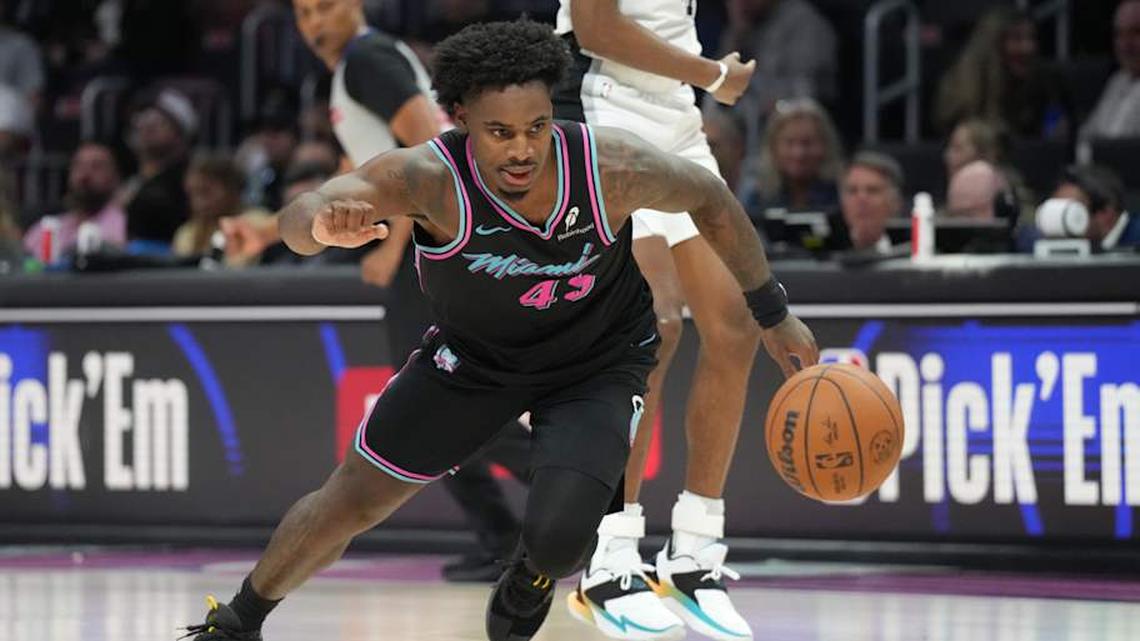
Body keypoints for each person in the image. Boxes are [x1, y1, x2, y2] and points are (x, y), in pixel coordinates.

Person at [183, 18, 816, 641]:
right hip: (476, 362)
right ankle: (236, 622)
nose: (522, 149)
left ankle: (533, 572)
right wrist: (320, 226)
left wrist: (773, 312)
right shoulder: (427, 178)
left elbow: (710, 198)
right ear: (459, 119)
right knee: (352, 498)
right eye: (501, 132)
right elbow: (308, 209)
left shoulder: (607, 166)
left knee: (563, 540)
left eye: (537, 128)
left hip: (597, 363)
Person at [553, 2, 786, 637]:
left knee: (734, 325)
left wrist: (701, 82)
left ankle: (693, 553)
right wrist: (713, 73)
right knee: (654, 320)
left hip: (676, 120)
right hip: (602, 107)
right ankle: (609, 557)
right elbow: (598, 29)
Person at [290, 0, 530, 582]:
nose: (315, 23)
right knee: (437, 398)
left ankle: (583, 504)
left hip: (435, 245)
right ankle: (506, 537)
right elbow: (365, 168)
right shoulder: (358, 68)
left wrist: (394, 246)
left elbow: (430, 148)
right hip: (439, 240)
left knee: (445, 399)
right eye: (302, 14)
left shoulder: (369, 58)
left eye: (325, 7)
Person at [934, 7, 1071, 140]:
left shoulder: (1047, 84)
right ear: (992, 45)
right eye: (1017, 39)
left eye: (1032, 38)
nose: (1028, 47)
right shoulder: (960, 89)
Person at [23, 142, 126, 261]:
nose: (85, 175)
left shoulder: (124, 227)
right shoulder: (45, 228)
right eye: (78, 166)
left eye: (97, 167)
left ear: (115, 178)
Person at [1081, 0, 1140, 140]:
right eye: (1119, 34)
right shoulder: (1116, 81)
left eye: (1136, 32)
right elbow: (1085, 136)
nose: (1126, 44)